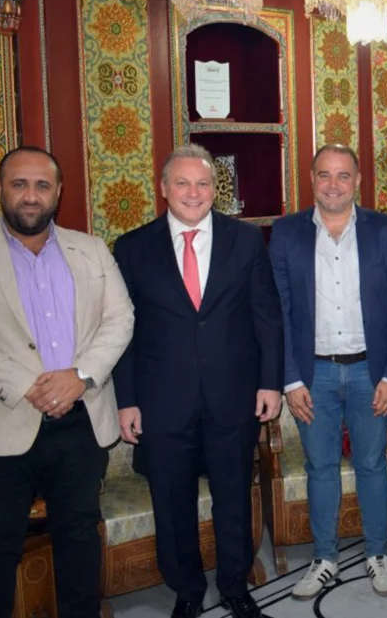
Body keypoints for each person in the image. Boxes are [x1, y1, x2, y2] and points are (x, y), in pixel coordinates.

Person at [0, 146, 134, 618]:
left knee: (79, 538)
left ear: (59, 192)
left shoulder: (91, 249)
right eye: (19, 184)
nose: (31, 196)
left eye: (42, 185)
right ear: (0, 188)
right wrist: (29, 385)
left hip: (80, 424)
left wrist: (79, 377)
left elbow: (120, 319)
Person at [112, 144, 283, 618]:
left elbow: (267, 317)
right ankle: (186, 588)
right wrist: (127, 401)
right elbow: (122, 332)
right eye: (182, 183)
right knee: (172, 501)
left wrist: (270, 383)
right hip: (162, 402)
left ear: (215, 190)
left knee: (233, 496)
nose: (193, 192)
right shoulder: (132, 247)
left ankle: (234, 585)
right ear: (164, 189)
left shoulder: (245, 240)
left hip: (234, 396)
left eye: (203, 183)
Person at [268, 143, 387, 601]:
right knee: (321, 467)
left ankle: (378, 554)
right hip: (314, 376)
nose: (334, 184)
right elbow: (278, 312)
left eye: (343, 175)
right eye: (325, 175)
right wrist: (290, 379)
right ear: (312, 179)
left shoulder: (386, 231)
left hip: (372, 372)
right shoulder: (285, 232)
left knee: (372, 464)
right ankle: (324, 558)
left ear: (358, 181)